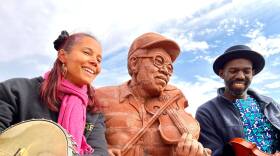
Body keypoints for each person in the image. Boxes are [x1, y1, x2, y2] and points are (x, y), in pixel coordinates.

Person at [96, 32, 211, 156]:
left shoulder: (175, 103)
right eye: (158, 61)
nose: (165, 71)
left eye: (170, 68)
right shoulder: (101, 97)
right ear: (134, 63)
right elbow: (80, 142)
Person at [0, 30, 108, 156]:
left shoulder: (93, 112)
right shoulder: (16, 91)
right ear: (62, 56)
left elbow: (99, 152)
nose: (95, 62)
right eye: (86, 52)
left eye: (99, 60)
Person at [195, 45, 280, 156]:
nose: (240, 76)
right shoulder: (206, 112)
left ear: (252, 73)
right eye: (233, 71)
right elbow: (211, 152)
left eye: (246, 71)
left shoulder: (271, 104)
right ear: (222, 74)